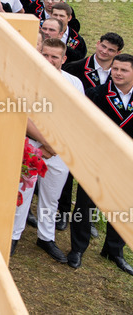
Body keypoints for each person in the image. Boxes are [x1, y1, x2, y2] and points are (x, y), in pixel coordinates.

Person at [12, 38, 83, 263]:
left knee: (51, 196)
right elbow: (21, 115)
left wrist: (55, 146)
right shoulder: (26, 78)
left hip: (61, 150)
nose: (49, 60)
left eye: (55, 57)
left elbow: (77, 118)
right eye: (45, 55)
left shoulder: (75, 83)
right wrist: (45, 144)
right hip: (31, 146)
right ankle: (14, 234)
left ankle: (46, 237)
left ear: (64, 59)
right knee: (23, 192)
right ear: (39, 53)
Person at [68, 54, 133, 274]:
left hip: (126, 162)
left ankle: (114, 250)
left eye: (124, 70)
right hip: (97, 159)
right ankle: (78, 248)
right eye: (115, 68)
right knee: (85, 204)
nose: (117, 73)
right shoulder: (96, 94)